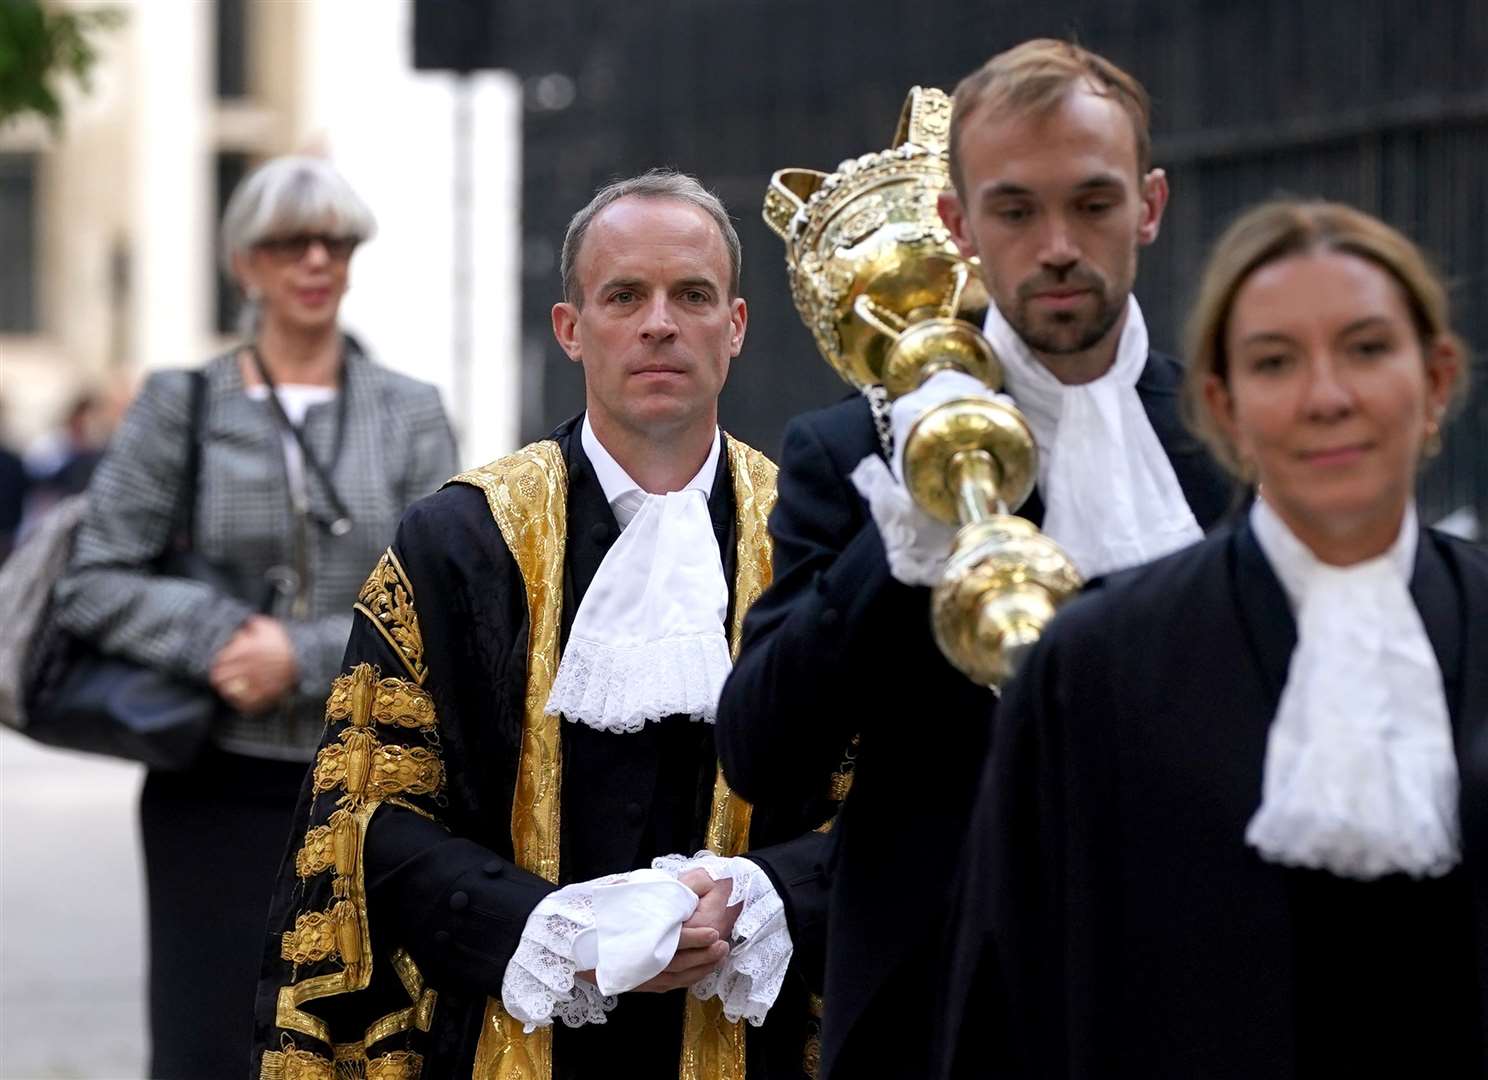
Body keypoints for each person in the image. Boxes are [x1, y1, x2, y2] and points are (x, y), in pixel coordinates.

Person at [715, 39, 1234, 1080]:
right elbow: (763, 752)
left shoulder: (1234, 437)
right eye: (1014, 209)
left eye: (1092, 204)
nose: (1056, 246)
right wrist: (898, 540)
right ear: (956, 225)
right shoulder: (853, 449)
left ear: (1150, 206)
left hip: (1205, 992)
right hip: (948, 1013)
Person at [252, 170, 832, 1080]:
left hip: (750, 1037)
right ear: (571, 328)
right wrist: (560, 934)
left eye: (692, 295)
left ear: (737, 326)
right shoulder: (459, 541)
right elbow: (366, 816)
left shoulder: (814, 539)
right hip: (503, 1032)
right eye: (624, 296)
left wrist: (764, 896)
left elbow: (889, 805)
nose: (659, 324)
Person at [971, 198, 1485, 1078]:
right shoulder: (1095, 665)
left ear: (1436, 380)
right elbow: (1012, 1004)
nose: (1327, 398)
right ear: (1224, 403)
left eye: (1366, 349)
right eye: (1275, 362)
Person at [53, 155, 457, 1079]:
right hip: (212, 781)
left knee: (357, 1041)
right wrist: (221, 640)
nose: (314, 260)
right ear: (246, 264)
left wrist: (301, 655)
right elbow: (94, 575)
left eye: (335, 242)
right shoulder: (180, 405)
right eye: (287, 244)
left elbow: (433, 592)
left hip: (366, 784)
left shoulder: (410, 413)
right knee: (209, 1042)